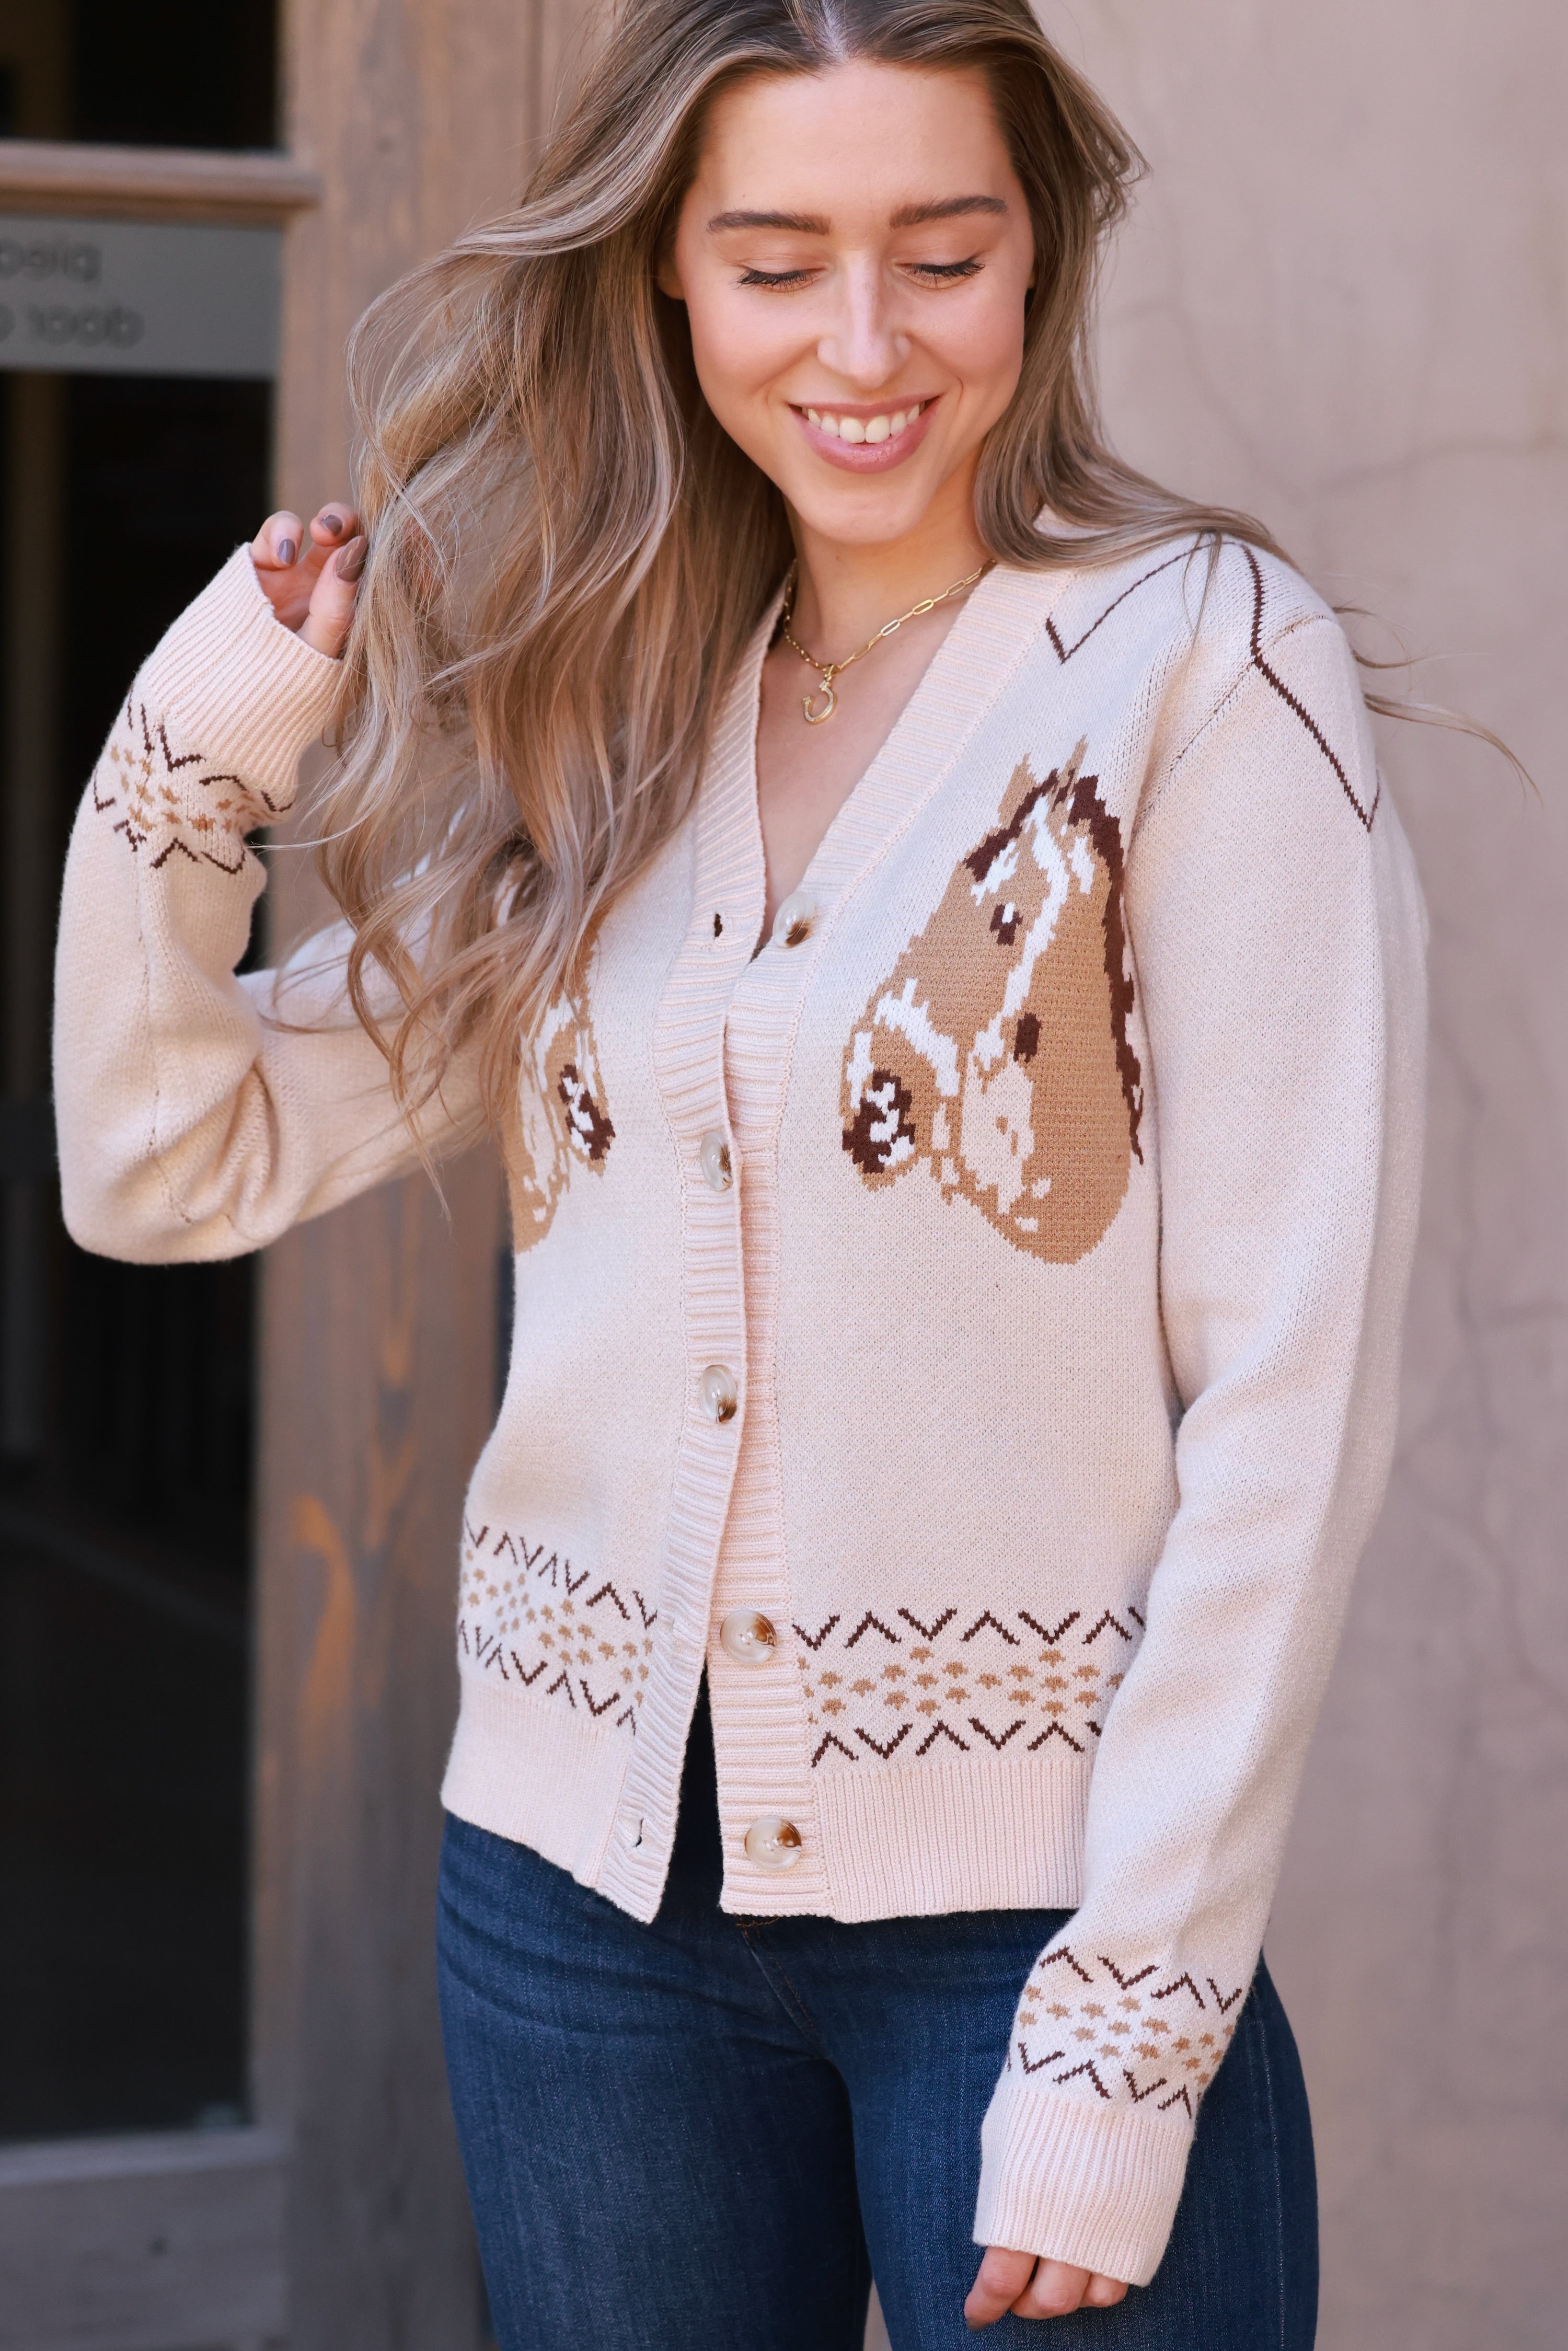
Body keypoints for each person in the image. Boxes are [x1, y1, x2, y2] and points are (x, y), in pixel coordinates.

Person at [52, 2, 1427, 2343]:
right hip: (584, 1926)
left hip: (1036, 1935)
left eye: (941, 252)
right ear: (671, 283)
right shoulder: (625, 702)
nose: (864, 344)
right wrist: (209, 730)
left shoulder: (1205, 668)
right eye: (778, 260)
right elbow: (163, 1162)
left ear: (1043, 260)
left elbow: (1292, 1412)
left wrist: (1124, 2038)